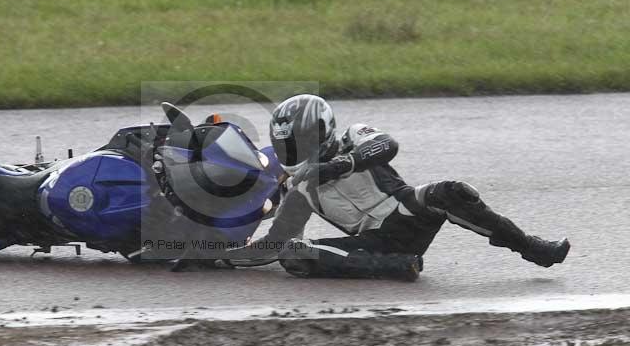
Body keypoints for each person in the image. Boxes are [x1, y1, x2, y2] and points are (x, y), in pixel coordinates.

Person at [224, 94, 570, 280]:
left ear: (320, 131)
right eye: (286, 146)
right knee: (294, 253)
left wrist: (342, 164)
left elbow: (386, 145)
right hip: (373, 242)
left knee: (452, 191)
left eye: (297, 143)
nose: (292, 153)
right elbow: (272, 245)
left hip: (405, 211)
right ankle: (396, 266)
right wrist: (219, 254)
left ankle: (531, 247)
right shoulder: (300, 189)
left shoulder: (353, 136)